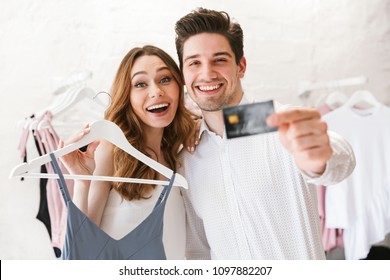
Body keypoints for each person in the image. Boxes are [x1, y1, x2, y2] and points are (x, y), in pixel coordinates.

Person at [174, 8, 356, 259]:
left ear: (241, 66)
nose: (206, 73)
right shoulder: (187, 158)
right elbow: (198, 249)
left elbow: (341, 160)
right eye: (194, 62)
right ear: (183, 73)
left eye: (219, 59)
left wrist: (319, 160)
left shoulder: (280, 122)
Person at [58, 45, 196, 259]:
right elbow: (81, 248)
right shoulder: (111, 150)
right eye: (141, 84)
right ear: (127, 96)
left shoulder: (177, 154)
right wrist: (82, 182)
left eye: (165, 79)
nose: (156, 91)